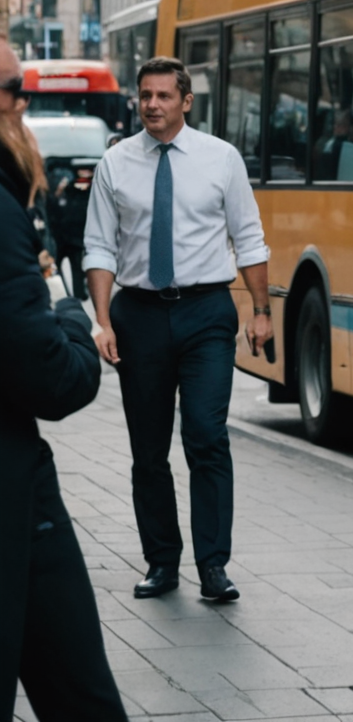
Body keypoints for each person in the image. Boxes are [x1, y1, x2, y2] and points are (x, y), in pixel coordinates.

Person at [83, 56, 272, 602]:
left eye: (164, 96)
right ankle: (162, 561)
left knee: (206, 436)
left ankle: (213, 565)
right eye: (145, 95)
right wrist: (102, 321)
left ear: (186, 101)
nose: (153, 105)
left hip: (206, 311)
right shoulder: (116, 164)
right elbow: (99, 246)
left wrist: (261, 310)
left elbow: (249, 236)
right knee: (148, 448)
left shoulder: (221, 159)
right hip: (137, 315)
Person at [0, 43, 129, 721]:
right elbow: (52, 375)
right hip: (13, 493)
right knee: (79, 691)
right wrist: (71, 314)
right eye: (14, 88)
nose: (24, 103)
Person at [48, 163, 95, 299]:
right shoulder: (67, 187)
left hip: (74, 236)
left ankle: (77, 294)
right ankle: (66, 295)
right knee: (59, 267)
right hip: (61, 236)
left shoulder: (86, 188)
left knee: (76, 268)